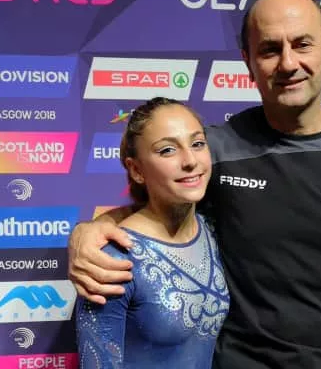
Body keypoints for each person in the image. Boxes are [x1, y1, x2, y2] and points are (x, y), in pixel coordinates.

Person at [69, 0, 321, 368]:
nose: (288, 63)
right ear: (248, 62)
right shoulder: (213, 151)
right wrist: (88, 232)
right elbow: (154, 210)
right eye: (270, 50)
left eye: (302, 44)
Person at [75, 97, 229, 368]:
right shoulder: (112, 260)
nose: (190, 161)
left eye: (197, 144)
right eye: (168, 150)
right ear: (136, 170)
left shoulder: (215, 229)